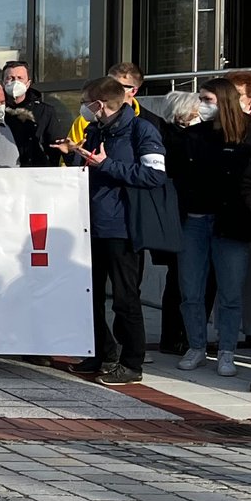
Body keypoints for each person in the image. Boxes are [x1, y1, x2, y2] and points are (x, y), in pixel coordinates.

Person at [54, 75, 167, 386]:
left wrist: (107, 165)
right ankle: (102, 353)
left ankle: (132, 362)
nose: (82, 109)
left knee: (124, 298)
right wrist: (70, 152)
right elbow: (89, 163)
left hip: (122, 227)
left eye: (85, 103)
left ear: (99, 104)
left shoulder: (141, 130)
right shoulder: (95, 129)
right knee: (88, 294)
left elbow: (154, 175)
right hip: (90, 224)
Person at [172, 79, 251, 377]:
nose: (201, 105)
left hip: (232, 223)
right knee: (190, 289)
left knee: (230, 292)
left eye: (207, 99)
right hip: (194, 220)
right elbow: (177, 175)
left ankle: (227, 350)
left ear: (224, 101)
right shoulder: (194, 135)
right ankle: (196, 345)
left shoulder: (248, 134)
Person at [0, 60, 70, 168]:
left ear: (28, 84)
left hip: (35, 174)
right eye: (10, 78)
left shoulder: (44, 111)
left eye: (20, 78)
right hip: (1, 172)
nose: (15, 82)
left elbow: (56, 146)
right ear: (2, 83)